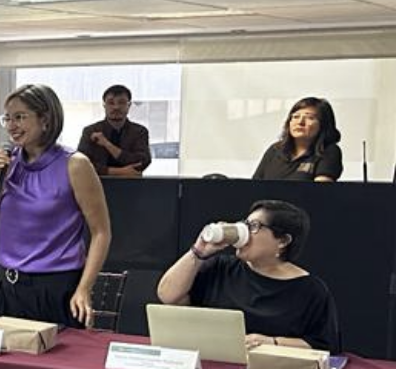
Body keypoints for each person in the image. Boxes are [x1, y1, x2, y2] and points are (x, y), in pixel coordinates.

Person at [0, 84, 111, 327]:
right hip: (4, 285)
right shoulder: (9, 163)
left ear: (45, 119)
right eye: (7, 118)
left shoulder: (75, 164)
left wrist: (84, 288)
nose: (11, 126)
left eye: (20, 117)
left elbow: (101, 232)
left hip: (54, 287)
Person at [156, 200, 340, 353]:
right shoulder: (221, 268)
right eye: (245, 224)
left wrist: (272, 342)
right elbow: (168, 296)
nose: (243, 232)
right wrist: (198, 251)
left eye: (254, 227)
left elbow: (323, 345)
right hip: (214, 367)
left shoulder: (310, 290)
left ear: (283, 240)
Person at [252, 97, 343, 182]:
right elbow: (254, 186)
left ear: (323, 125)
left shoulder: (329, 151)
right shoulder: (275, 150)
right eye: (295, 117)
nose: (300, 122)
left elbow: (321, 190)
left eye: (310, 118)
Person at [76, 85, 152, 178]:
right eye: (111, 103)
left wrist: (107, 144)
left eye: (121, 102)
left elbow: (142, 162)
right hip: (96, 184)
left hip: (132, 184)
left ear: (129, 105)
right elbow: (81, 165)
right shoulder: (90, 131)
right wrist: (120, 172)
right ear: (104, 106)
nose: (116, 107)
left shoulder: (139, 131)